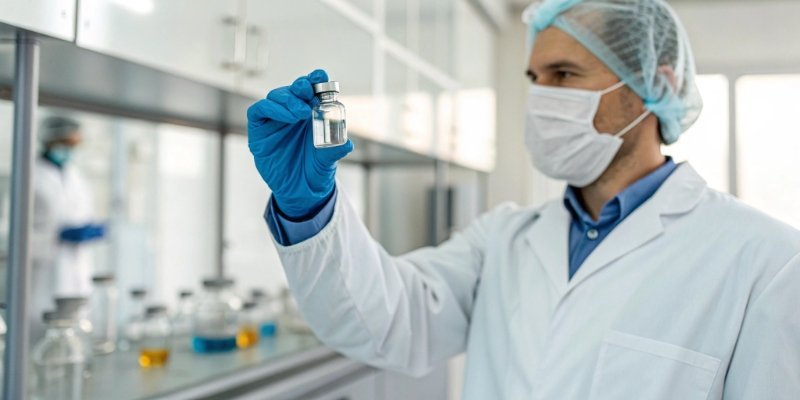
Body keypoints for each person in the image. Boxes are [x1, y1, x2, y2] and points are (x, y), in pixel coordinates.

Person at [246, 0, 800, 398]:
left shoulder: (766, 261)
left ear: (651, 84)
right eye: (534, 76)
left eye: (564, 74)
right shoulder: (504, 238)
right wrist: (306, 208)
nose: (540, 97)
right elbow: (383, 323)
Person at [31, 116, 105, 341]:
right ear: (49, 140)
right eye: (66, 143)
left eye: (74, 144)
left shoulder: (75, 175)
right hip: (44, 271)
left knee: (77, 333)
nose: (70, 149)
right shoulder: (30, 175)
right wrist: (56, 236)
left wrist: (91, 229)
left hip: (76, 267)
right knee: (41, 335)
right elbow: (11, 231)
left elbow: (82, 212)